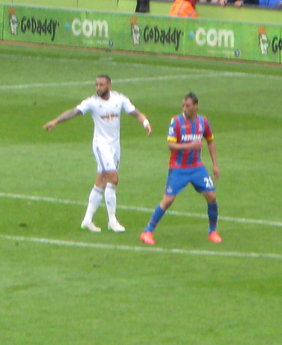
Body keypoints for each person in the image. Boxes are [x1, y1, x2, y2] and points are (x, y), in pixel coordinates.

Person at [43, 75, 152, 233]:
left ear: (109, 85)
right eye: (96, 85)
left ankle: (87, 220)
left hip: (115, 146)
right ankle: (112, 221)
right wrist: (56, 121)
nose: (98, 88)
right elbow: (74, 112)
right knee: (113, 178)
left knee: (101, 180)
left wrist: (145, 123)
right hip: (101, 146)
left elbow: (135, 113)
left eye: (101, 84)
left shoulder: (119, 99)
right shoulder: (92, 102)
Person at [140, 93, 221, 246]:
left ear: (196, 106)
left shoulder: (203, 122)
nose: (185, 108)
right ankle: (147, 231)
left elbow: (210, 141)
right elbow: (171, 145)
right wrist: (190, 146)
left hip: (197, 167)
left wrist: (215, 164)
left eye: (188, 106)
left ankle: (213, 232)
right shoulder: (176, 122)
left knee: (211, 197)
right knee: (168, 200)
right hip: (178, 168)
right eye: (183, 105)